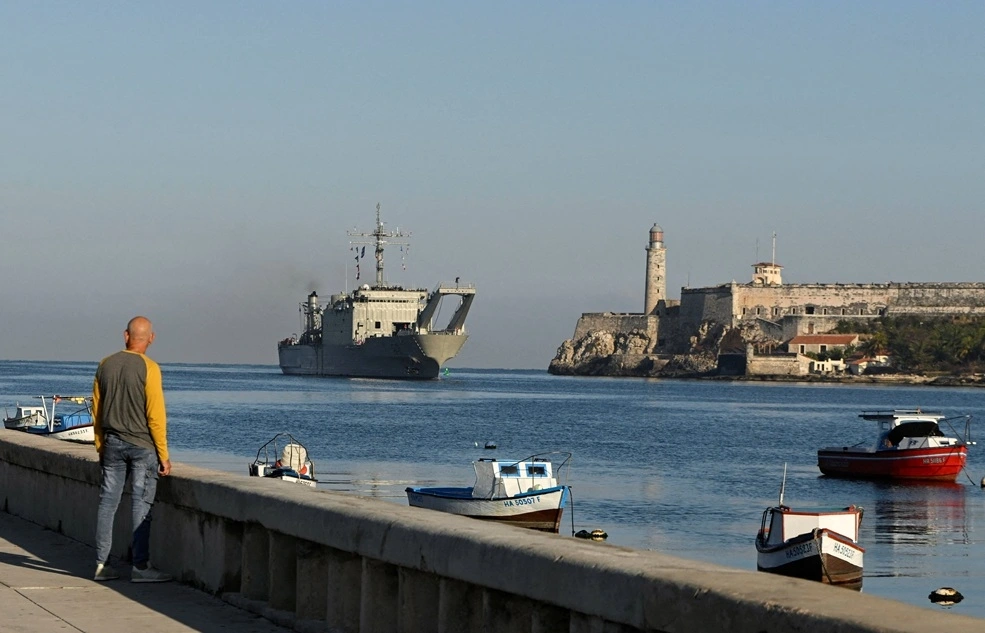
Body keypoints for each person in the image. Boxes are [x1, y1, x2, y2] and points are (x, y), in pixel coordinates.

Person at [91, 316, 173, 583]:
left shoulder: (105, 364)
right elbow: (155, 417)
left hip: (112, 444)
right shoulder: (150, 368)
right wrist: (164, 455)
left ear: (126, 335)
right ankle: (140, 567)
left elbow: (97, 410)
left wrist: (100, 445)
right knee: (141, 506)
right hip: (143, 447)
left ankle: (102, 565)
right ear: (151, 338)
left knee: (107, 505)